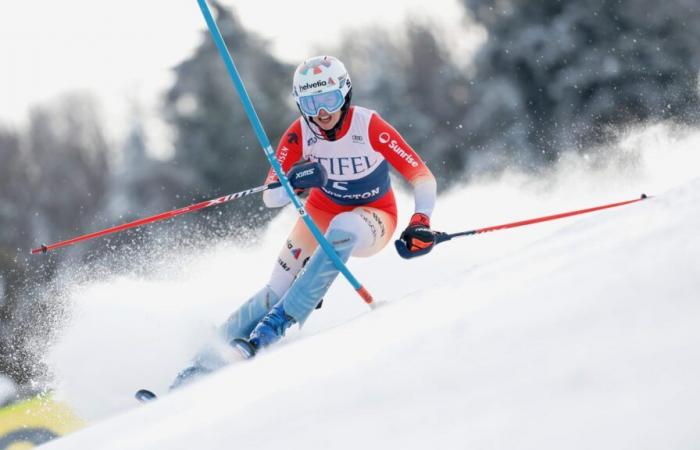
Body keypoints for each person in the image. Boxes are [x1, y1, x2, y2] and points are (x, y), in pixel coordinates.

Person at [171, 55, 437, 389]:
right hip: (318, 215)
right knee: (275, 290)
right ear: (300, 104)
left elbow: (422, 175)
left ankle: (273, 328)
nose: (322, 112)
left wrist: (420, 221)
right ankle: (199, 365)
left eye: (330, 100)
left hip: (374, 217)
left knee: (344, 226)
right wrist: (294, 182)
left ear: (346, 94)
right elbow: (271, 196)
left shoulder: (369, 126)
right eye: (311, 103)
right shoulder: (299, 135)